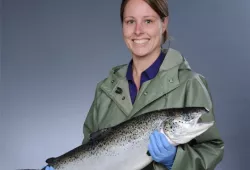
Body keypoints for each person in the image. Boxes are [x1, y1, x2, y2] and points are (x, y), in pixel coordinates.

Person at [45, 0, 224, 169]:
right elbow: (90, 150)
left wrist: (175, 161)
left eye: (148, 21)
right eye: (130, 21)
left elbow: (212, 148)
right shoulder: (105, 89)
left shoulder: (189, 83)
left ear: (164, 23)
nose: (138, 31)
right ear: (122, 26)